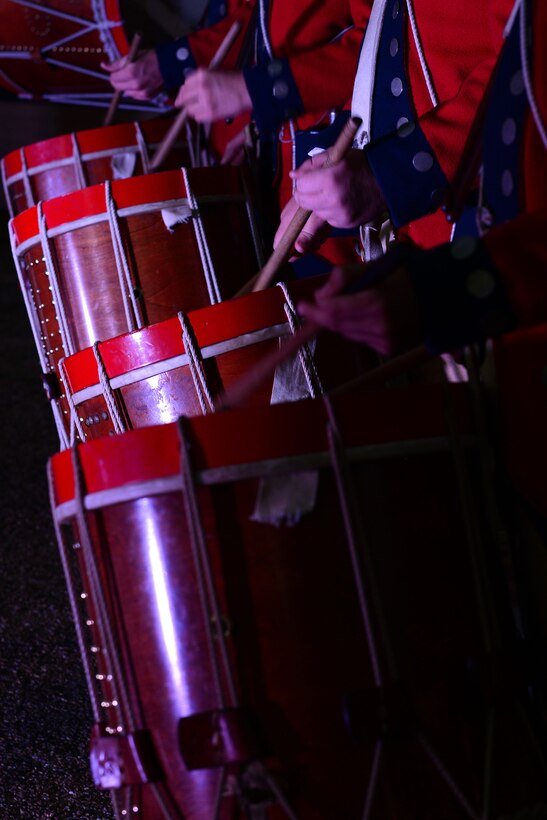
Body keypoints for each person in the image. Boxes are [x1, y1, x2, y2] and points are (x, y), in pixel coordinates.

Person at [276, 0, 514, 259]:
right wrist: (329, 164)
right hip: (404, 232)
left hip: (478, 224)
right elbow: (377, 36)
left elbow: (522, 67)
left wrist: (390, 173)